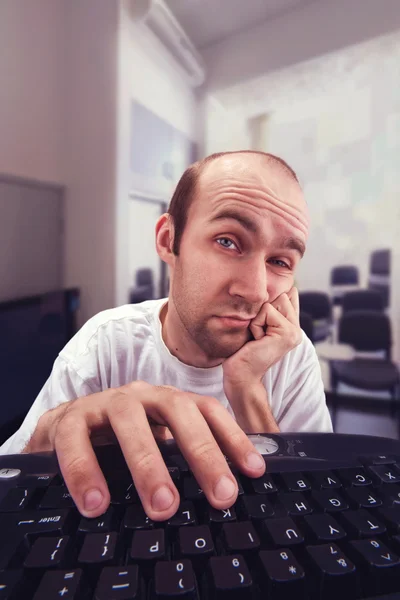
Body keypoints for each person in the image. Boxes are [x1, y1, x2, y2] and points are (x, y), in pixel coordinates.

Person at [0, 150, 332, 522]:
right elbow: (9, 484)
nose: (255, 291)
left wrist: (247, 388)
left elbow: (306, 513)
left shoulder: (290, 353)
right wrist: (47, 441)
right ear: (168, 240)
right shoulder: (106, 344)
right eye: (228, 241)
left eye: (280, 261)